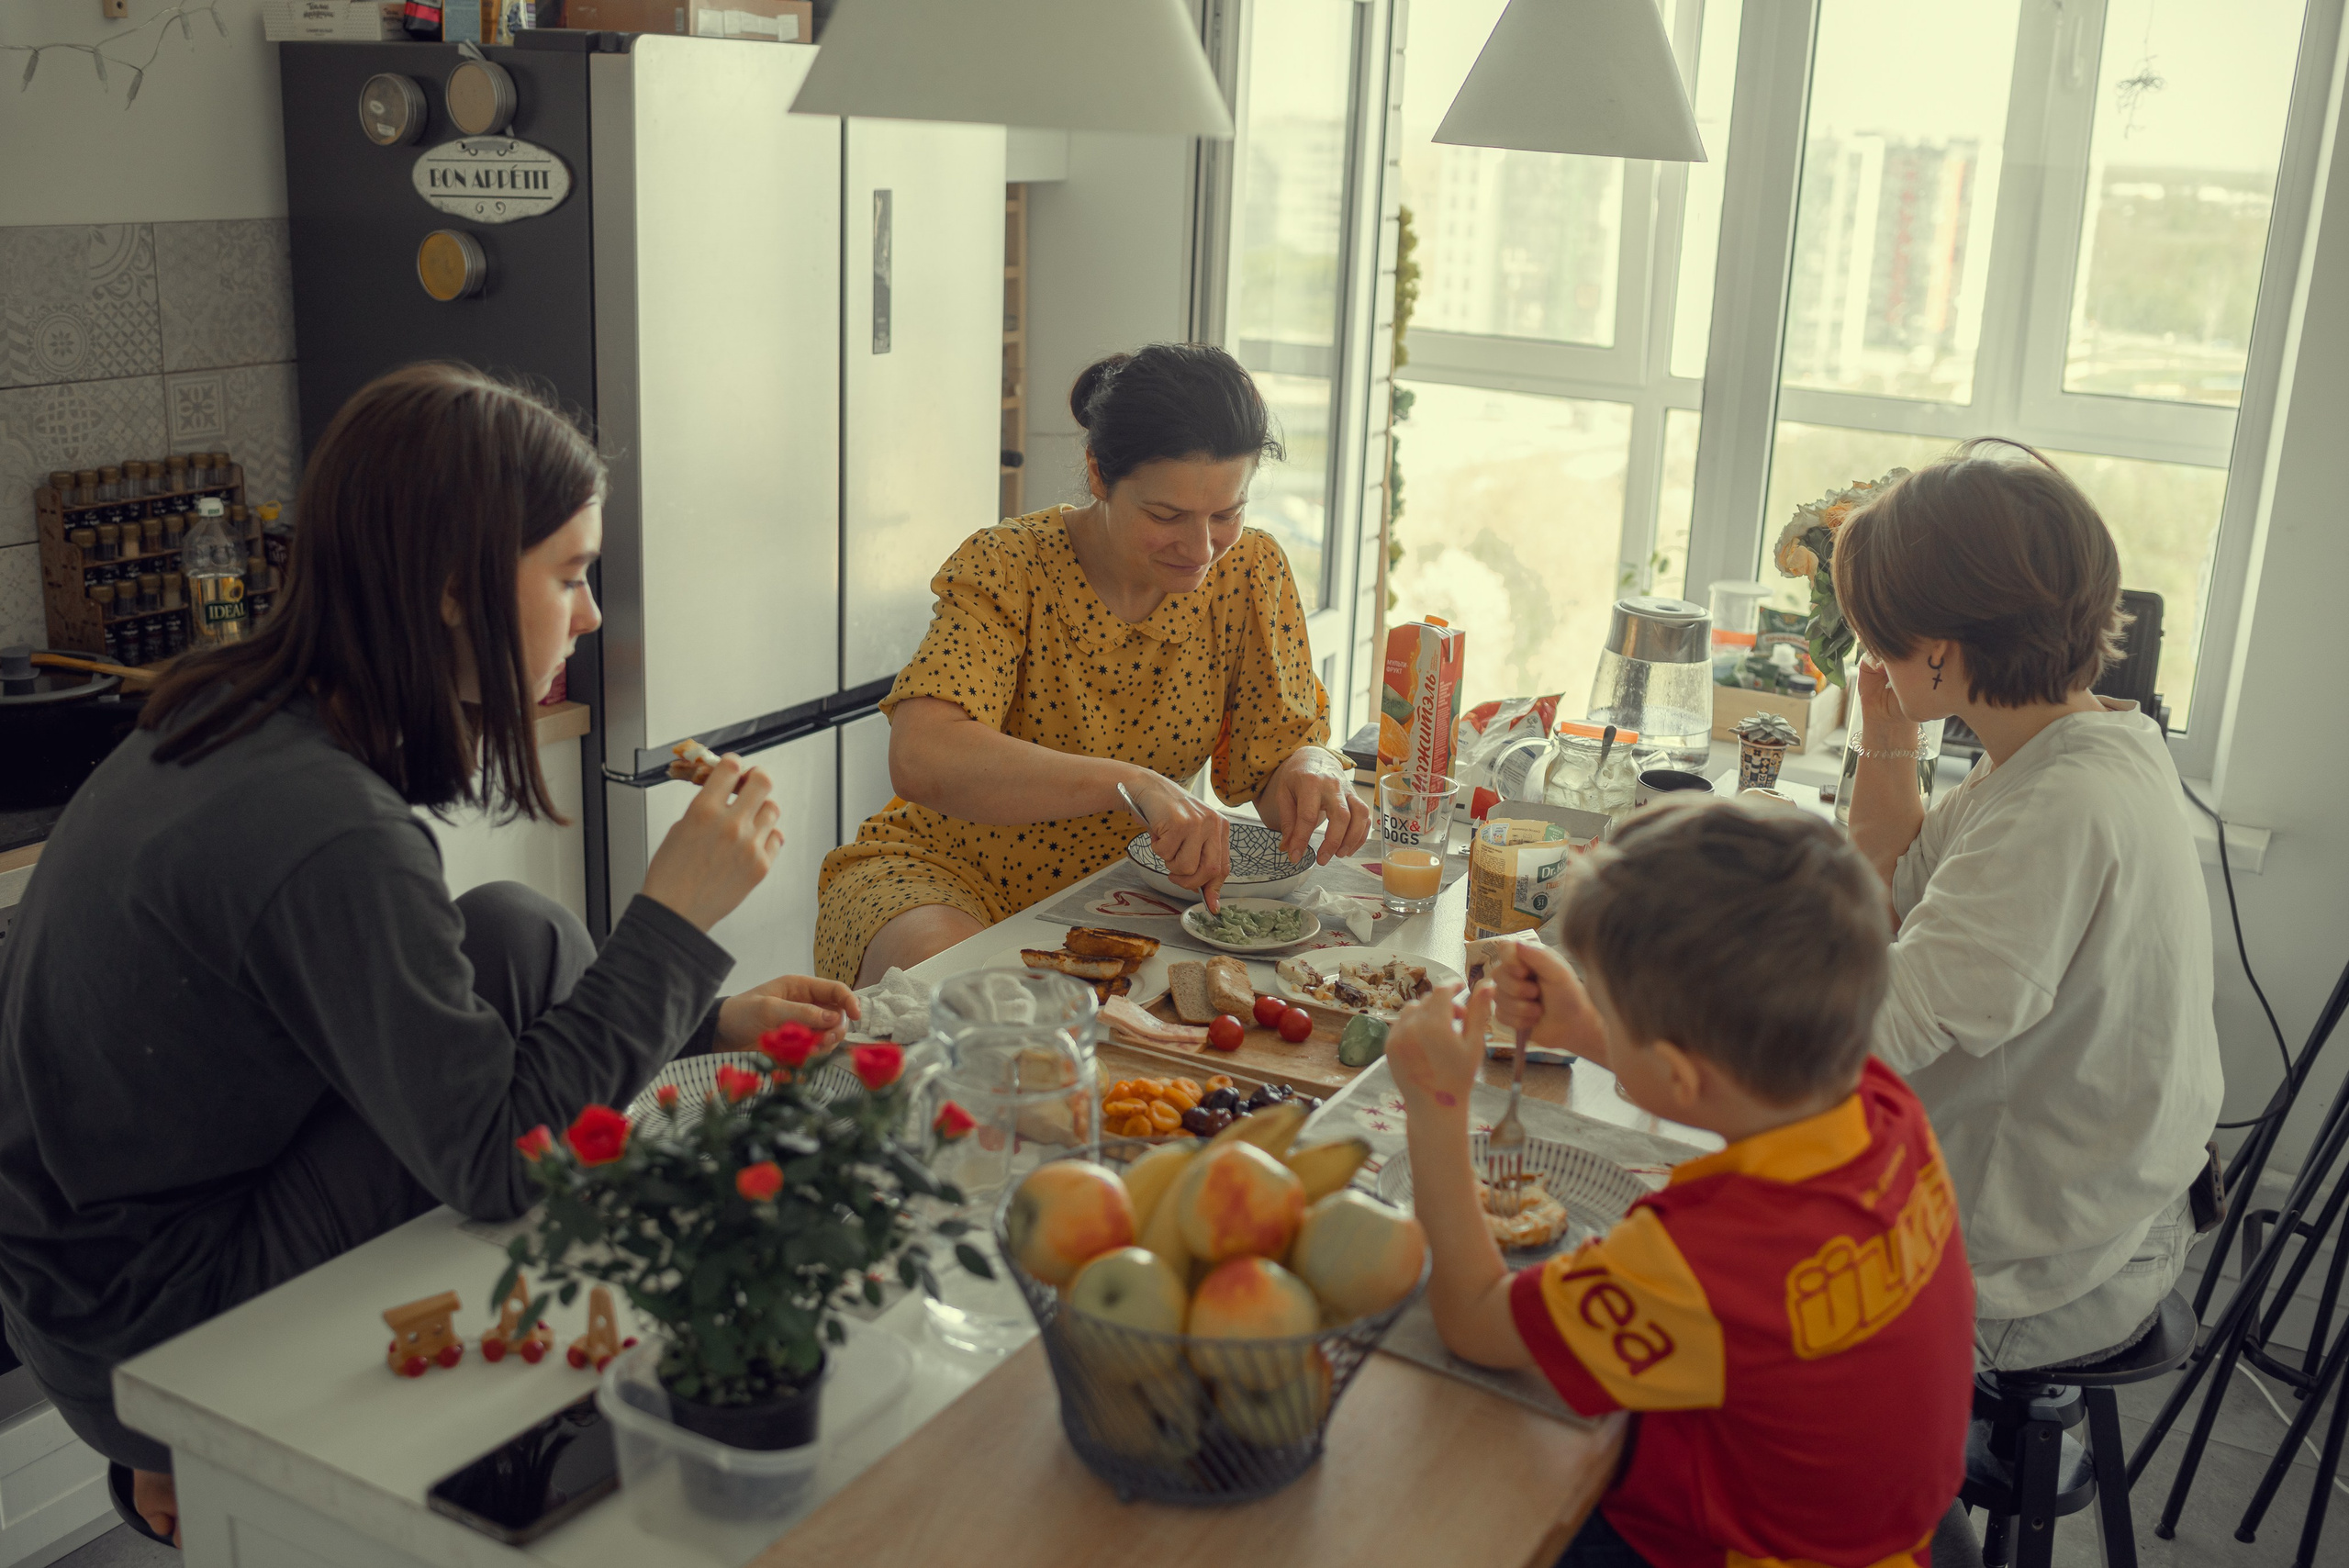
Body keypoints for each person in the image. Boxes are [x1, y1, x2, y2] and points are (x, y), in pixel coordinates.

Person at [0, 364, 856, 1544]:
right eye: (570, 572)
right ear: (453, 588)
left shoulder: (241, 708)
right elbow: (494, 1162)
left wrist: (699, 1026)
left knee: (512, 931)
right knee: (532, 1131)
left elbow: (399, 1017)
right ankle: (225, 1445)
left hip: (96, 1267)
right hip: (147, 1323)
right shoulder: (327, 825)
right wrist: (674, 920)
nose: (593, 614)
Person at [1395, 801, 1974, 1568]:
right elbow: (1732, 1085)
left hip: (1723, 1549)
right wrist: (1587, 1031)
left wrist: (1436, 1107)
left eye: (1610, 1009)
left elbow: (1474, 1320)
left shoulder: (1699, 1260)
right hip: (1890, 1537)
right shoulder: (1880, 1103)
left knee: (1438, 1481)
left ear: (1674, 1071)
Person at [1831, 441, 2222, 1374]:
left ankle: (1913, 1519)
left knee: (1707, 1310)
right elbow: (1884, 896)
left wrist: (1646, 1015)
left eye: (1873, 634)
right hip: (2080, 1205)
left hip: (2046, 1266)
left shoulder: (2060, 804)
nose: (1867, 656)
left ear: (1937, 651)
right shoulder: (2065, 748)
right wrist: (1887, 729)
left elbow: (1876, 1028)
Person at [815, 342, 1370, 986]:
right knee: (985, 1005)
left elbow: (1274, 776)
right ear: (1099, 475)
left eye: (1226, 513)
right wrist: (1133, 782)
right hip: (945, 877)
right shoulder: (1007, 565)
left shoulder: (1251, 570)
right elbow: (921, 756)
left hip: (1129, 896)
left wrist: (1311, 766)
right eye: (1166, 515)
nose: (1200, 549)